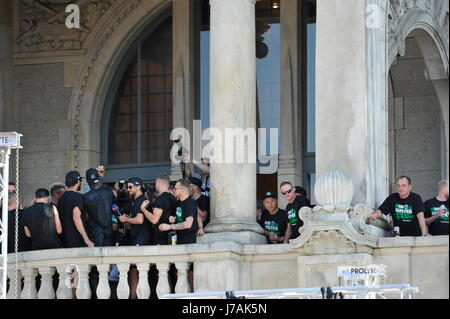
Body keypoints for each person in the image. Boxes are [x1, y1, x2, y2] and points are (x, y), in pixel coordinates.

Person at [118, 177, 151, 299]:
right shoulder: (136, 201)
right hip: (138, 238)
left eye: (130, 187)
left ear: (138, 187)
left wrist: (126, 219)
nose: (128, 189)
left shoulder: (140, 200)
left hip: (141, 240)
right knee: (134, 271)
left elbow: (139, 219)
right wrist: (128, 221)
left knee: (137, 271)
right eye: (127, 187)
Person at [58, 171, 94, 248]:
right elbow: (76, 218)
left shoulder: (61, 198)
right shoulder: (77, 197)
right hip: (77, 240)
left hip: (64, 241)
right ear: (78, 181)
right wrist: (86, 239)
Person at [140, 174, 177, 245]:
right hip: (172, 238)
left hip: (161, 240)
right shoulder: (174, 198)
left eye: (156, 183)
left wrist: (143, 209)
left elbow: (154, 220)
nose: (155, 185)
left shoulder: (160, 199)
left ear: (159, 183)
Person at [159, 178, 199, 244]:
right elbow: (179, 218)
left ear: (182, 191)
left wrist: (169, 227)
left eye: (175, 189)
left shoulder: (190, 203)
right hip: (178, 238)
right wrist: (172, 218)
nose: (173, 190)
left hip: (188, 241)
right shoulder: (178, 203)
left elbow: (188, 224)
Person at [83, 168, 116, 247]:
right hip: (109, 231)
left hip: (95, 233)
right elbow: (114, 208)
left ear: (87, 182)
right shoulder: (109, 191)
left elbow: (86, 217)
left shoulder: (86, 197)